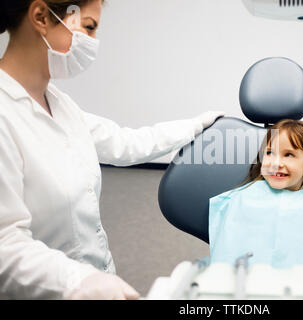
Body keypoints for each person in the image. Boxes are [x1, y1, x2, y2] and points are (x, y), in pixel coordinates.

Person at [0, 0, 224, 299]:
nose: (92, 43)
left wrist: (196, 125)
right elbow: (5, 243)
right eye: (89, 27)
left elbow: (125, 142)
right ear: (41, 16)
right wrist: (78, 281)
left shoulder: (60, 105)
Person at [209, 119, 303, 269]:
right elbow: (226, 257)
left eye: (288, 155)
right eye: (269, 153)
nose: (276, 163)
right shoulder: (241, 199)